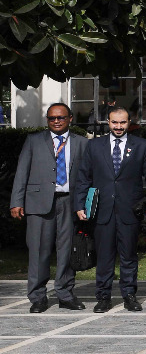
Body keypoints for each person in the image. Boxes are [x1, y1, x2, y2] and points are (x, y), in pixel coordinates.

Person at [74, 108, 146, 312]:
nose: (118, 127)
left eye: (122, 123)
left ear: (129, 122)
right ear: (108, 122)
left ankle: (129, 295)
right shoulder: (94, 146)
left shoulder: (142, 145)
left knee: (129, 255)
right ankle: (103, 297)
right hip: (102, 210)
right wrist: (79, 205)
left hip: (130, 210)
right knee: (104, 256)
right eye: (114, 122)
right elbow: (83, 177)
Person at [11, 104, 89, 312]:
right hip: (38, 203)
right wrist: (17, 201)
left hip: (70, 202)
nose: (56, 121)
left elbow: (88, 176)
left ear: (70, 118)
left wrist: (87, 203)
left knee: (67, 250)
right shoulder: (34, 141)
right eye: (51, 118)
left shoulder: (82, 143)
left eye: (60, 117)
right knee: (38, 250)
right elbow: (22, 172)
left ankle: (65, 293)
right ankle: (37, 296)